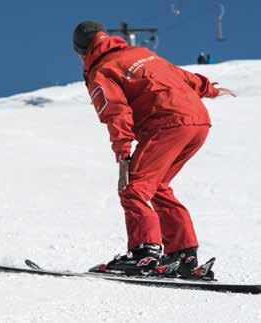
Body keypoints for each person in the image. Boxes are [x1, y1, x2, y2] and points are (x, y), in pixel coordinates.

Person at [73, 21, 236, 277]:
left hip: (167, 124)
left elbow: (116, 112)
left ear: (81, 53)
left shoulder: (102, 71)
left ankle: (144, 254)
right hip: (197, 121)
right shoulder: (141, 54)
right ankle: (183, 254)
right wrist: (209, 89)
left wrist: (124, 154)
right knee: (157, 186)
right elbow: (179, 75)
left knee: (134, 188)